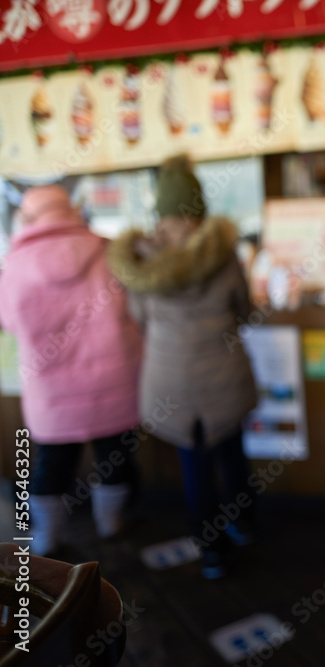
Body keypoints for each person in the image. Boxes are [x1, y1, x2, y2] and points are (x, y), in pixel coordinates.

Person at [107, 155, 258, 579]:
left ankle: (211, 551)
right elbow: (244, 310)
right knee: (231, 452)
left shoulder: (140, 262)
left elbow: (139, 317)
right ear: (199, 207)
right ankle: (245, 524)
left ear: (161, 211)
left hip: (169, 379)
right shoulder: (224, 254)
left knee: (194, 464)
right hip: (223, 374)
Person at [0, 185, 142, 556]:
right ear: (70, 210)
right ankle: (111, 524)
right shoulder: (108, 251)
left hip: (51, 391)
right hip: (115, 380)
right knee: (114, 456)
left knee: (52, 465)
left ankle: (46, 537)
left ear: (28, 216)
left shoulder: (14, 265)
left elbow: (10, 322)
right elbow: (137, 309)